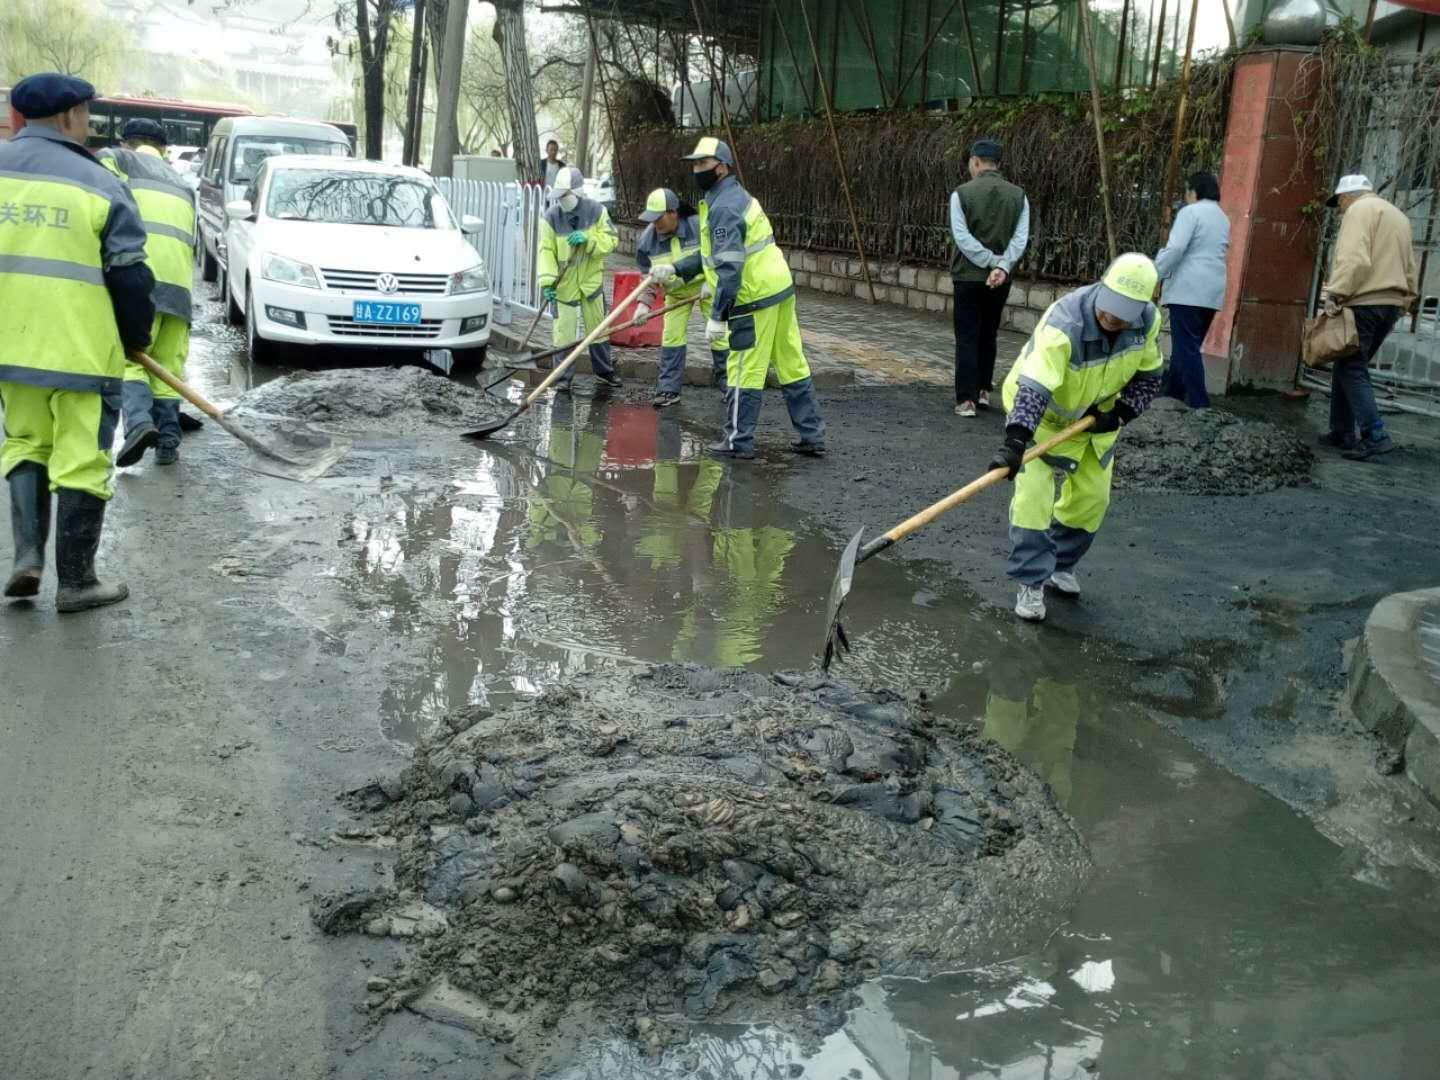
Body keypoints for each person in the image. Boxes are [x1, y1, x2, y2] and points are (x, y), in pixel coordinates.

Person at [1, 73, 155, 611]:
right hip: (80, 349)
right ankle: (77, 581)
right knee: (81, 456)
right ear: (69, 117)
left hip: (8, 348)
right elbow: (131, 276)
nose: (88, 124)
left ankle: (27, 560)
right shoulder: (101, 184)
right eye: (87, 114)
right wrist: (138, 338)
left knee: (25, 442)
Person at [990, 253, 1164, 622]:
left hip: (1093, 420)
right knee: (1034, 498)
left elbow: (1149, 378)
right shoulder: (1064, 323)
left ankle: (1060, 564)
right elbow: (1035, 388)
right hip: (1041, 418)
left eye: (1123, 313)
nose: (1111, 318)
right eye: (1108, 307)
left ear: (1144, 306)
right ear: (1101, 286)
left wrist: (1119, 414)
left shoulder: (1146, 323)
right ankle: (1032, 581)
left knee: (1091, 498)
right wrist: (1016, 442)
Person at [672, 136, 824, 460]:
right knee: (791, 362)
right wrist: (675, 268)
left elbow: (729, 268)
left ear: (722, 167)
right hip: (778, 285)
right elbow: (716, 254)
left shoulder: (723, 206)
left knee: (743, 367)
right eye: (695, 164)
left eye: (703, 164)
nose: (697, 169)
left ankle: (737, 440)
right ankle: (812, 434)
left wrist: (716, 314)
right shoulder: (732, 197)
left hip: (753, 295)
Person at [98, 118, 197, 467]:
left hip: (141, 282)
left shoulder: (119, 160)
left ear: (127, 143)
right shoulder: (183, 183)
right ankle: (169, 442)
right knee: (168, 367)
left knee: (130, 358)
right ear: (164, 149)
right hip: (181, 290)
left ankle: (139, 423)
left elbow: (95, 192)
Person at [1319, 174, 1419, 462]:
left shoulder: (1358, 211)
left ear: (1347, 196)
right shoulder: (1397, 215)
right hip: (1390, 302)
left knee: (1352, 367)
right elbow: (1409, 265)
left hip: (1364, 301)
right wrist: (1406, 300)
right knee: (1347, 362)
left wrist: (1336, 294)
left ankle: (1376, 436)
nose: (1339, 209)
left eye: (1338, 202)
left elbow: (1355, 258)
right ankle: (1341, 431)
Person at [949, 137, 1030, 419]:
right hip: (1001, 279)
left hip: (967, 276)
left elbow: (962, 238)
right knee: (989, 332)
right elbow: (1020, 239)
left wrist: (989, 261)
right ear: (998, 164)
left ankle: (966, 400)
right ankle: (984, 389)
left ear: (974, 162)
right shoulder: (1019, 195)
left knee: (967, 335)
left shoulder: (961, 194)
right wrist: (1003, 266)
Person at [633, 187, 727, 408]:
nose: (655, 224)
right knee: (671, 338)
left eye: (659, 218)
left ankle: (730, 387)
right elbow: (648, 276)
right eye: (652, 219)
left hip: (707, 287)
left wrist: (712, 281)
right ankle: (668, 390)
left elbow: (717, 255)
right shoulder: (647, 240)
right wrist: (643, 304)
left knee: (720, 336)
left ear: (673, 212)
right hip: (676, 293)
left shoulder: (698, 226)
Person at [536, 165, 621, 390]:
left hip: (591, 284)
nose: (561, 201)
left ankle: (604, 372)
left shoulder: (597, 212)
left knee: (598, 331)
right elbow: (545, 252)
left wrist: (588, 239)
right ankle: (562, 380)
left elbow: (612, 240)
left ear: (577, 192)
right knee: (564, 334)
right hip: (563, 287)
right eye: (559, 196)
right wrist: (547, 283)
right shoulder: (551, 217)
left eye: (564, 196)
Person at [1154, 171, 1230, 409]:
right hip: (1211, 291)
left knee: (1186, 348)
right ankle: (1172, 393)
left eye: (1187, 191)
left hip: (1188, 289)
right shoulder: (1222, 217)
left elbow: (1176, 249)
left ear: (1194, 191)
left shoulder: (1190, 212)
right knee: (1186, 346)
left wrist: (1154, 271)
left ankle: (1200, 404)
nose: (1186, 196)